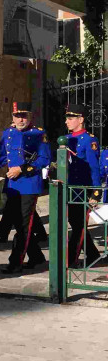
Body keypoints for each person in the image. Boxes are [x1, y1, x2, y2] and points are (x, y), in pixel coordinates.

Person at [0, 102, 51, 274]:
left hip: (29, 184)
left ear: (30, 116)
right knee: (18, 223)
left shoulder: (38, 134)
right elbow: (0, 156)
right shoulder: (9, 133)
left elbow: (44, 159)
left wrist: (22, 169)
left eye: (24, 116)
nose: (20, 120)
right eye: (17, 116)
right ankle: (36, 257)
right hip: (12, 185)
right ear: (12, 117)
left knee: (23, 226)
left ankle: (15, 262)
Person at [65, 103, 101, 268]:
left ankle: (71, 259)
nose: (67, 121)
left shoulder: (89, 140)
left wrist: (96, 192)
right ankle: (93, 254)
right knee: (75, 223)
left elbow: (94, 168)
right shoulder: (67, 139)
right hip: (69, 187)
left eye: (70, 118)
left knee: (79, 225)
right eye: (67, 118)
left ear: (80, 120)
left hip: (82, 188)